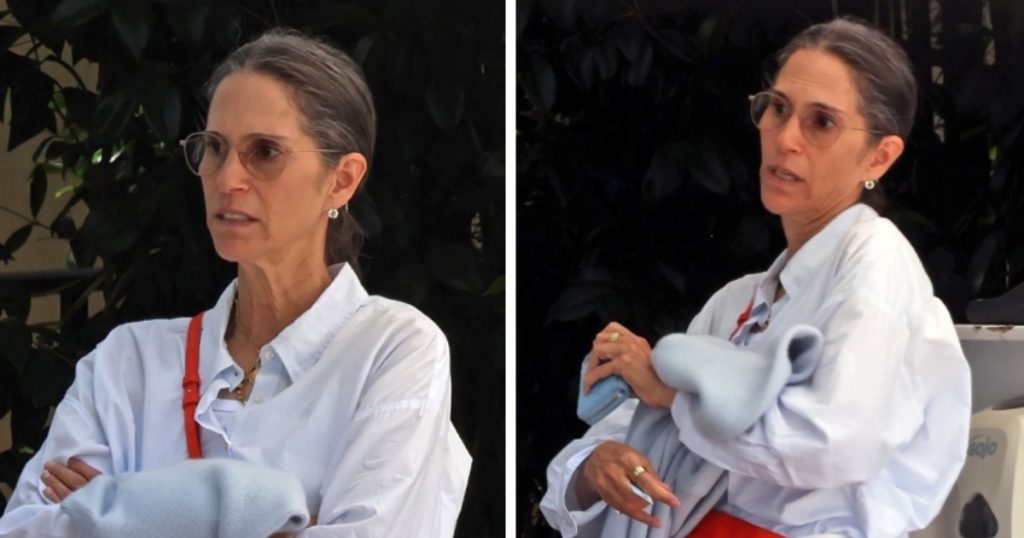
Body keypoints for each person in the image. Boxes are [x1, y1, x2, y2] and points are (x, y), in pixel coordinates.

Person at [0, 29, 471, 537]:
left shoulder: (392, 350)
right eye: (215, 148)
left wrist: (127, 512)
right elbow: (26, 530)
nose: (226, 179)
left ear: (342, 179)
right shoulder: (127, 363)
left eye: (265, 151)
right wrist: (277, 523)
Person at [541, 17, 971, 538]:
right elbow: (618, 444)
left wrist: (672, 394)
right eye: (778, 108)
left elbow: (834, 442)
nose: (785, 138)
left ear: (879, 156)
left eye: (822, 122)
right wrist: (598, 464)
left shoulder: (876, 259)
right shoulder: (736, 302)